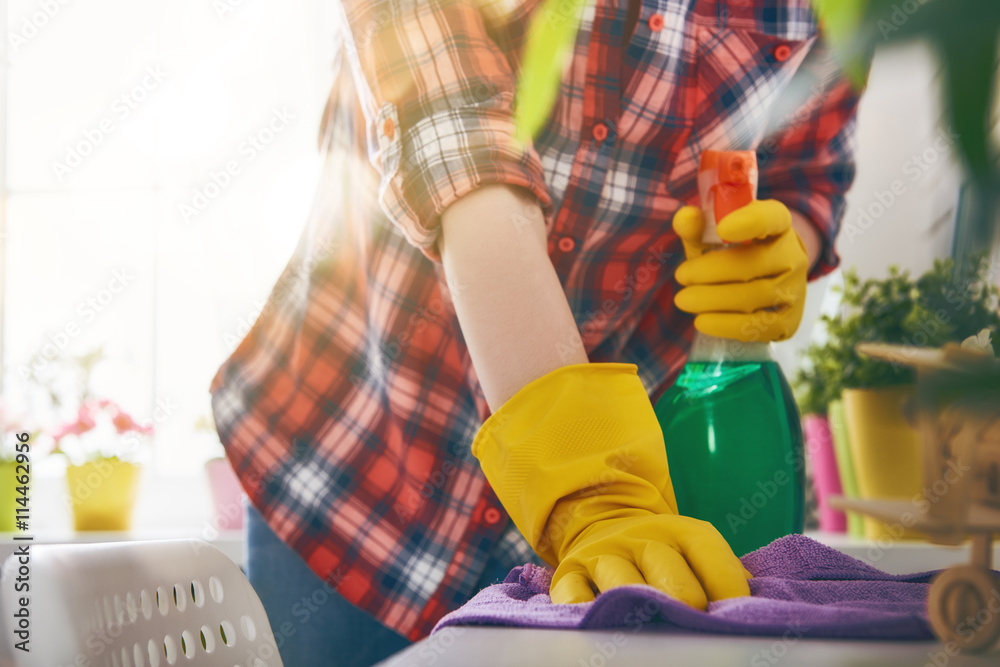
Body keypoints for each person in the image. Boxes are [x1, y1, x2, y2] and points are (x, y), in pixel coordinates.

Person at [210, 1, 861, 664]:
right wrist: (594, 491)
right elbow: (459, 148)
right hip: (351, 467)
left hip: (603, 538)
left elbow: (810, 173)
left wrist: (782, 248)